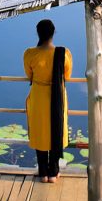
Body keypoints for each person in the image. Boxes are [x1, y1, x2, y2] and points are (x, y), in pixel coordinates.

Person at [23, 19, 73, 183]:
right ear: (53, 33)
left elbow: (29, 75)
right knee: (55, 128)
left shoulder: (30, 54)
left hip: (38, 95)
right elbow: (66, 76)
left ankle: (43, 172)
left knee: (40, 130)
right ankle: (54, 171)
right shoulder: (63, 53)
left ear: (38, 33)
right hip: (57, 95)